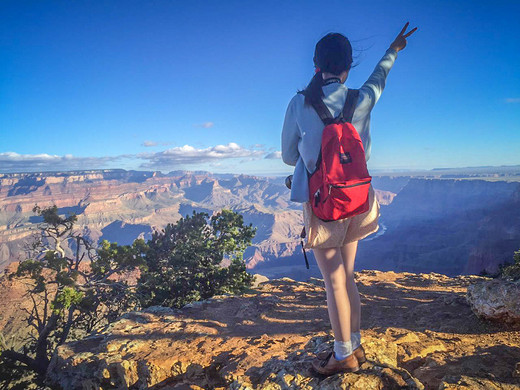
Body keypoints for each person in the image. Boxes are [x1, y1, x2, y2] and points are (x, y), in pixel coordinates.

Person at [281, 22, 417, 376]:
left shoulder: (299, 103)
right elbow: (379, 78)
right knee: (348, 275)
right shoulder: (362, 98)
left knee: (334, 281)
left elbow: (286, 155)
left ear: (316, 65)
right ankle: (353, 344)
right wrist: (394, 49)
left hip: (325, 204)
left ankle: (343, 355)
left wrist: (309, 155)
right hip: (358, 200)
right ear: (347, 67)